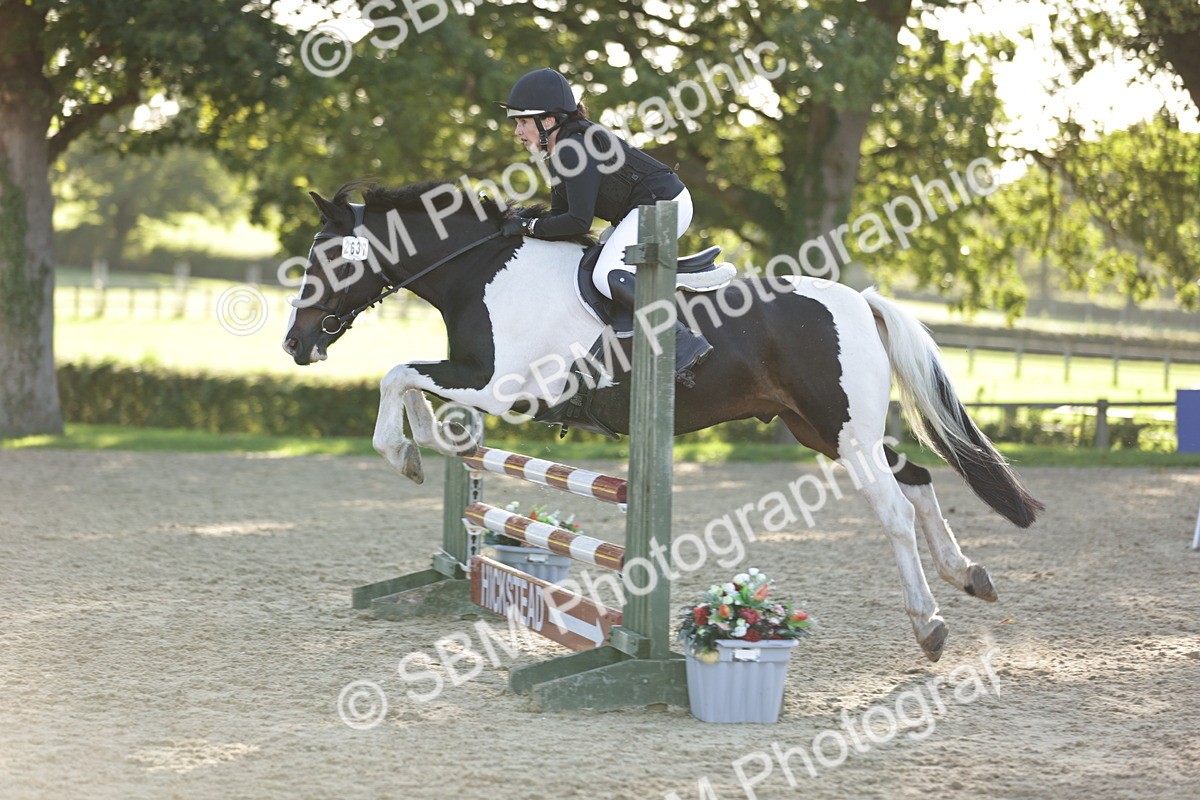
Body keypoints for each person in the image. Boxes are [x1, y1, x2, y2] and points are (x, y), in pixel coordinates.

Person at [496, 67, 712, 385]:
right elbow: (561, 216)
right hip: (643, 209)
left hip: (664, 205)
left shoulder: (575, 147)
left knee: (605, 273)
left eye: (524, 121)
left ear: (550, 120)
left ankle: (681, 341)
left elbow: (578, 222)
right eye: (518, 123)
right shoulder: (559, 151)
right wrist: (520, 221)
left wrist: (527, 227)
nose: (518, 131)